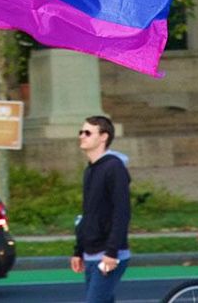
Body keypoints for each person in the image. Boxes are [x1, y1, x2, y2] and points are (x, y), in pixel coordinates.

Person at [70, 115, 131, 303]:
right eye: (81, 132)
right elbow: (88, 214)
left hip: (108, 255)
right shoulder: (90, 170)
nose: (82, 136)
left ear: (103, 137)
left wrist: (111, 252)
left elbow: (122, 212)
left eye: (88, 132)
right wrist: (78, 250)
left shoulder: (114, 167)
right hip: (91, 254)